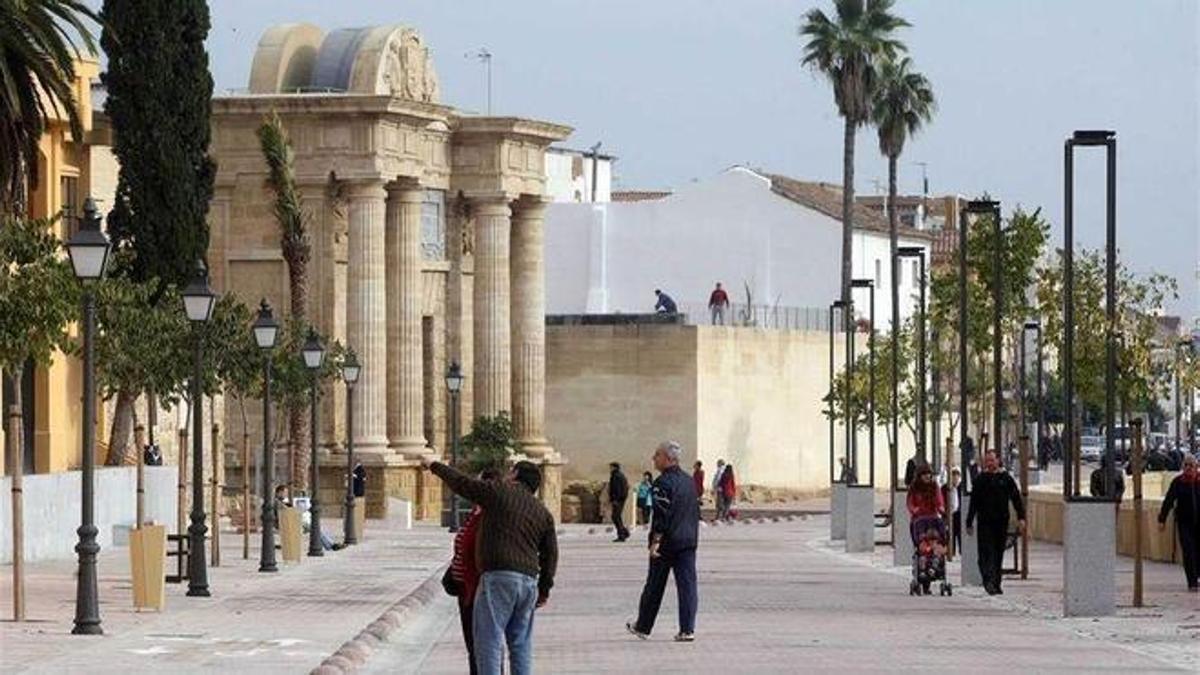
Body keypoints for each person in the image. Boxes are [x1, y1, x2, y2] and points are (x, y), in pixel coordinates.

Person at [424, 457, 558, 675]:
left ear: (515, 475)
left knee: (488, 641)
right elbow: (550, 554)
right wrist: (544, 589)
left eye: (510, 472)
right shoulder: (542, 512)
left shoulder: (499, 493)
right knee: (521, 643)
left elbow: (462, 483)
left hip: (499, 577)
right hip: (528, 583)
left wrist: (434, 465)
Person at [627, 441, 701, 642]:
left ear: (668, 459)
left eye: (657, 455)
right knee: (687, 586)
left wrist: (656, 541)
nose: (653, 458)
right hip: (688, 541)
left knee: (654, 585)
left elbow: (661, 515)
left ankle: (643, 626)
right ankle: (687, 629)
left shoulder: (662, 483)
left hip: (668, 542)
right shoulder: (688, 481)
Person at [449, 468, 501, 675]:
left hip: (478, 588)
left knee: (485, 645)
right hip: (466, 588)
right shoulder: (476, 512)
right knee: (474, 646)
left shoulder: (489, 516)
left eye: (478, 484)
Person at [966, 451, 1026, 595]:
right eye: (987, 461)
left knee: (998, 553)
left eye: (992, 460)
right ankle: (988, 580)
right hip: (984, 522)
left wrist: (1021, 517)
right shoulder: (980, 480)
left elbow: (1016, 498)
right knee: (986, 553)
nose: (990, 463)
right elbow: (974, 502)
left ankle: (996, 583)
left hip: (1001, 521)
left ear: (998, 461)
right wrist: (969, 521)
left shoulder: (1005, 479)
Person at [1158, 455, 1200, 591]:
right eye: (1186, 465)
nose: (1188, 468)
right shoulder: (1178, 482)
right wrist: (1162, 519)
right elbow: (1168, 501)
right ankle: (1192, 582)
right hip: (1184, 523)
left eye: (1191, 465)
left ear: (1196, 467)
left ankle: (1197, 575)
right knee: (1188, 551)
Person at [609, 461, 631, 542]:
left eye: (611, 467)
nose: (610, 469)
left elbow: (616, 489)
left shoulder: (616, 476)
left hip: (618, 500)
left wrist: (615, 499)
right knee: (616, 516)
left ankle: (622, 535)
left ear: (614, 467)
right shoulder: (620, 475)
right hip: (620, 499)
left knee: (616, 517)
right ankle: (624, 532)